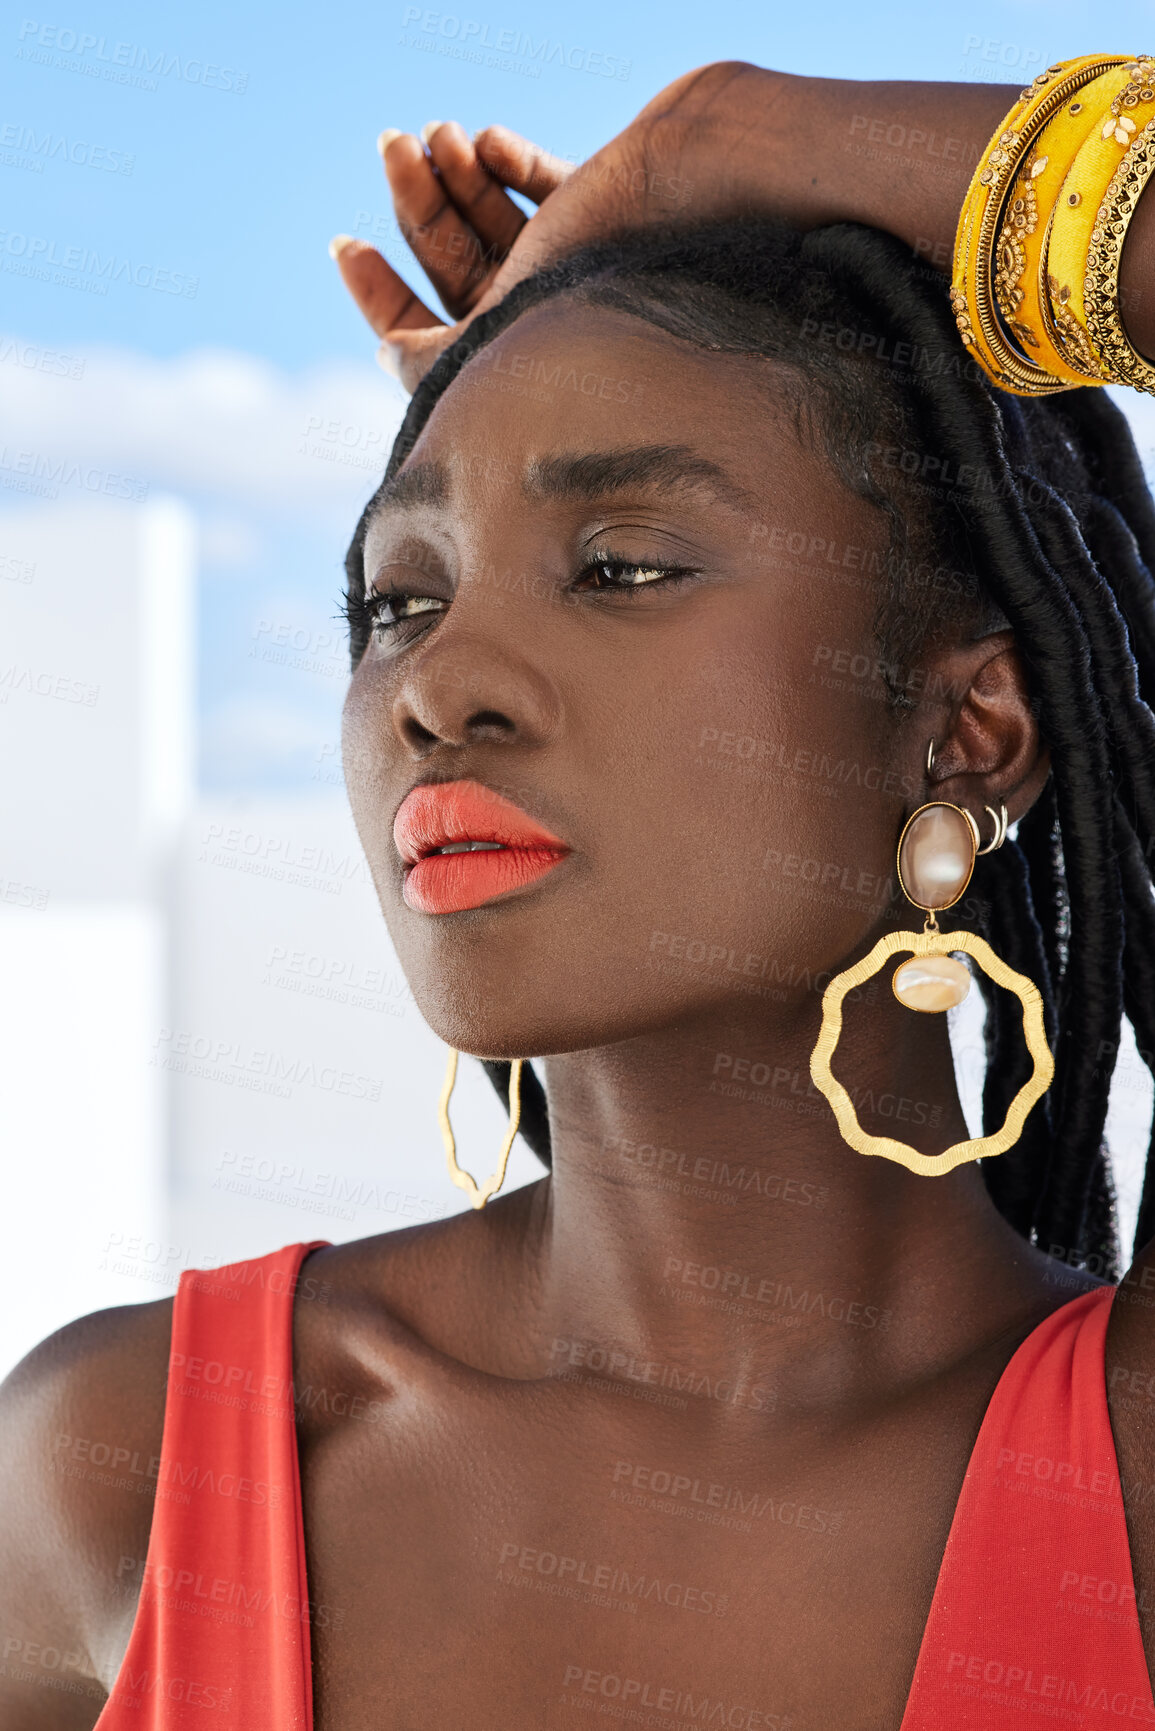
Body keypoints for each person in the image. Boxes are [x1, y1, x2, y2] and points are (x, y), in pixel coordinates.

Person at [3, 56, 1155, 1731]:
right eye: (399, 598)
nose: (440, 682)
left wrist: (747, 133)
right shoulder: (119, 1473)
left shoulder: (1128, 1479)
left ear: (969, 729)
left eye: (623, 567)